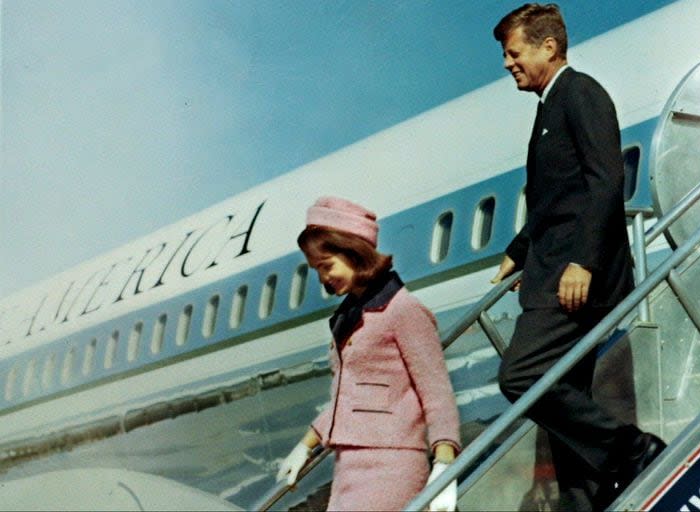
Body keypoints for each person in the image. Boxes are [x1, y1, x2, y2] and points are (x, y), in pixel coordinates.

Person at [489, 4, 666, 511]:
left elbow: (605, 180)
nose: (507, 63)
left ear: (548, 47)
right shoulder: (549, 106)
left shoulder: (580, 93)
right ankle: (584, 499)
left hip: (574, 277)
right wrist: (519, 252)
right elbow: (555, 199)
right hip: (551, 269)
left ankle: (632, 450)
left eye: (513, 52)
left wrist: (582, 262)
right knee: (566, 394)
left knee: (521, 376)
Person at [275, 196, 461, 512]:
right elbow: (348, 398)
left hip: (391, 463)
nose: (322, 279)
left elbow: (437, 393)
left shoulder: (403, 310)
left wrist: (445, 465)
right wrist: (304, 447)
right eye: (316, 270)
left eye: (326, 265)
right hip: (349, 464)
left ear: (353, 252)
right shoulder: (348, 317)